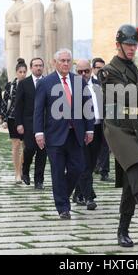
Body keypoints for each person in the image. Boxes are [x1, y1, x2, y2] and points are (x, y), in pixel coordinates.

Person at [97, 24, 138, 248]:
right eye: (128, 44)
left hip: (137, 127)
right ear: (118, 45)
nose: (132, 48)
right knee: (136, 165)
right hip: (117, 127)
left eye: (135, 44)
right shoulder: (108, 71)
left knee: (130, 182)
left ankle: (122, 230)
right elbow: (128, 95)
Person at [33, 49, 94, 219]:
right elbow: (38, 110)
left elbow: (87, 106)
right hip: (54, 136)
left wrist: (90, 129)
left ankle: (62, 194)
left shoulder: (78, 81)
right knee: (58, 172)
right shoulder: (45, 83)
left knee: (78, 168)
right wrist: (39, 132)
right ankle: (63, 208)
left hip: (76, 134)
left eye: (68, 60)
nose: (66, 63)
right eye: (62, 60)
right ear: (55, 63)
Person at [72, 59, 103, 210]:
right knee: (84, 164)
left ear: (91, 70)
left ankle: (78, 193)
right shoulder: (72, 86)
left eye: (86, 71)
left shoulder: (98, 85)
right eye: (80, 72)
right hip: (81, 130)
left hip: (98, 128)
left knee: (91, 164)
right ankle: (89, 197)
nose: (83, 74)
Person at [15, 57, 47, 189]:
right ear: (31, 67)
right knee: (30, 149)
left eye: (40, 65)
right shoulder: (24, 83)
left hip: (45, 123)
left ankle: (39, 180)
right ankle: (25, 170)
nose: (38, 68)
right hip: (28, 122)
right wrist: (19, 123)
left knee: (42, 151)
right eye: (36, 65)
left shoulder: (48, 82)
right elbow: (18, 105)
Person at [1, 59, 28, 184]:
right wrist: (4, 119)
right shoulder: (10, 86)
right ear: (16, 72)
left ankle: (22, 169)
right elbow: (5, 103)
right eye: (20, 72)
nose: (22, 74)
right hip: (12, 118)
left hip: (26, 119)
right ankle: (17, 173)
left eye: (24, 72)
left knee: (26, 146)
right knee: (16, 145)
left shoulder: (30, 85)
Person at [91, 57, 112, 181]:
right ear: (93, 69)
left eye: (103, 68)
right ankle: (94, 166)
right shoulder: (88, 82)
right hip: (91, 119)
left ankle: (105, 172)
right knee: (93, 146)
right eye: (98, 68)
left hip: (105, 118)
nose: (100, 70)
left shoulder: (108, 82)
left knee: (106, 145)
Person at [44, 0, 73, 74]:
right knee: (49, 59)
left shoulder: (65, 4)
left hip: (59, 38)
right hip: (49, 36)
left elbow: (67, 24)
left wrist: (56, 24)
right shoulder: (50, 6)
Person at [19, 0, 45, 69]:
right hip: (25, 34)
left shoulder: (37, 3)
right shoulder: (27, 3)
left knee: (31, 57)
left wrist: (37, 35)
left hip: (31, 34)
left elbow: (38, 20)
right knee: (25, 58)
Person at [5, 0, 25, 82]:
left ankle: (16, 85)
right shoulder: (13, 7)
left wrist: (12, 26)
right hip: (10, 41)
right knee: (10, 66)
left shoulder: (23, 7)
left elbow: (24, 24)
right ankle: (11, 86)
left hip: (16, 41)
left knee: (14, 65)